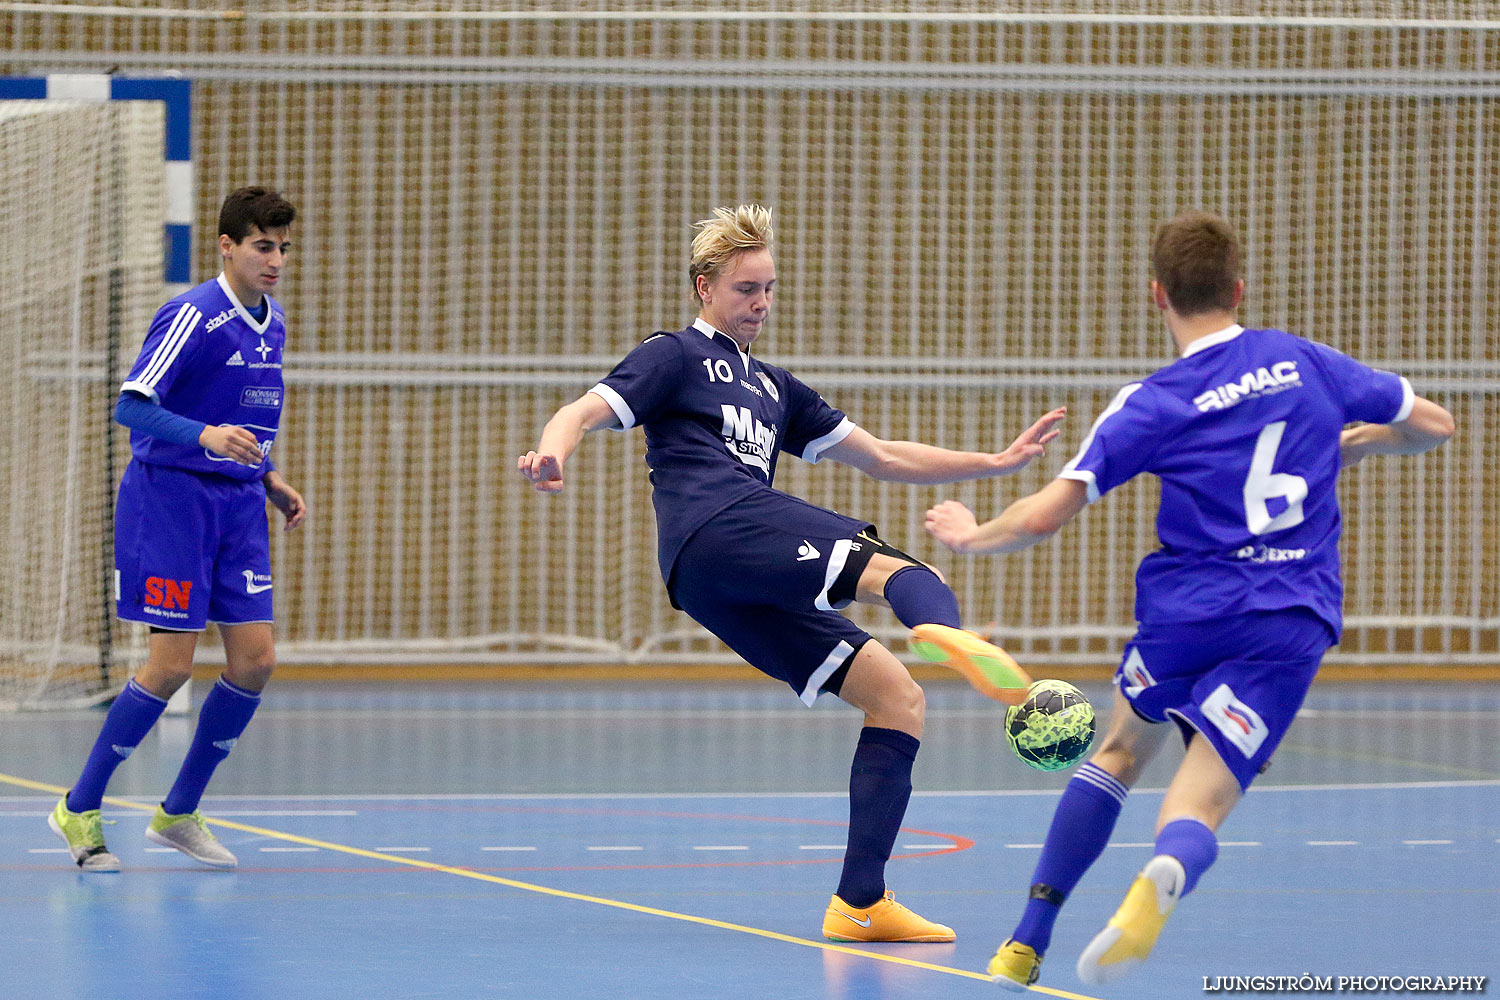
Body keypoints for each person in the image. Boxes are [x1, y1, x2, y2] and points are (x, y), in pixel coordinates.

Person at [924, 210, 1455, 988]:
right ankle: (1167, 868)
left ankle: (1025, 940)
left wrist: (969, 535)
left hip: (1187, 614)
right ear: (1239, 288)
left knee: (1115, 754)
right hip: (1289, 617)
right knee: (1198, 801)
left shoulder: (1153, 401)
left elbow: (1044, 515)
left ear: (1157, 296)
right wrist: (1360, 439)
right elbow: (1433, 425)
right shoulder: (1304, 361)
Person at [519, 204, 1066, 942]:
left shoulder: (777, 389)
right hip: (716, 527)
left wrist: (992, 461)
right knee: (894, 569)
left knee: (896, 698)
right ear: (704, 287)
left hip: (718, 582)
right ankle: (949, 633)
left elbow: (883, 456)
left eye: (770, 288)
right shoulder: (675, 355)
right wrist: (553, 452)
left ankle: (859, 904)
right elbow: (581, 410)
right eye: (747, 288)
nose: (762, 303)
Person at [49, 187, 306, 872]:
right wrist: (206, 438)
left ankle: (178, 812)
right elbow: (132, 407)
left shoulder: (273, 322)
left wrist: (270, 475)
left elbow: (243, 419)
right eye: (262, 246)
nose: (276, 259)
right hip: (170, 502)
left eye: (283, 247)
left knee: (256, 662)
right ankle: (78, 808)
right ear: (227, 246)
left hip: (238, 505)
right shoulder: (192, 316)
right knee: (170, 668)